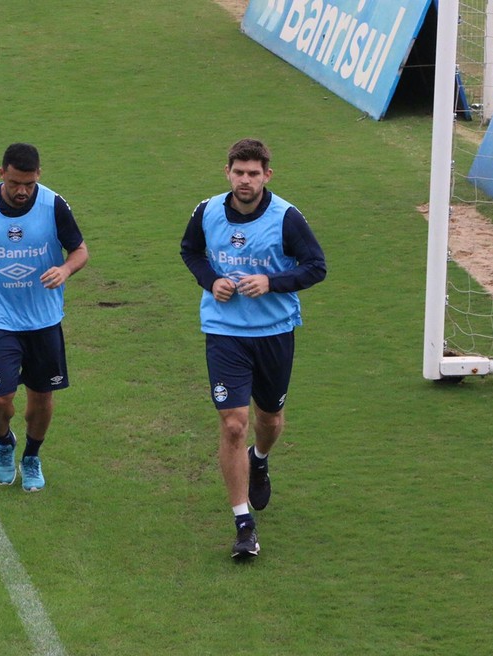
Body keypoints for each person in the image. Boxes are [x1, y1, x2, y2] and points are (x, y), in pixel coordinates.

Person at [180, 138, 326, 558]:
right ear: (227, 171)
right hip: (224, 332)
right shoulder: (206, 212)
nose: (245, 180)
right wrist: (210, 280)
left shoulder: (286, 218)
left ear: (267, 175)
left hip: (275, 332)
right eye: (239, 172)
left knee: (271, 419)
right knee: (232, 424)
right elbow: (190, 252)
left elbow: (316, 267)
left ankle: (259, 458)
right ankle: (244, 524)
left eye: (253, 173)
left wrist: (271, 282)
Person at [0, 143, 89, 492]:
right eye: (14, 183)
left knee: (41, 399)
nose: (22, 191)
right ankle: (4, 442)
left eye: (28, 183)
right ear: (1, 174)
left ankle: (32, 456)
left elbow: (80, 250)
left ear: (39, 174)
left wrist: (66, 269)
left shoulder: (53, 205)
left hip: (44, 321)